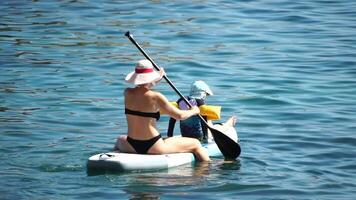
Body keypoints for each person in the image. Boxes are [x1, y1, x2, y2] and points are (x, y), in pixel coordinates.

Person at [114, 59, 210, 162]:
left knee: (119, 140)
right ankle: (207, 170)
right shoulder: (156, 97)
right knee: (195, 143)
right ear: (150, 77)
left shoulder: (127, 93)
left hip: (130, 145)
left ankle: (114, 158)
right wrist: (194, 110)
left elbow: (142, 89)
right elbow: (179, 116)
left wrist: (156, 79)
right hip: (154, 145)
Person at [167, 80, 237, 142]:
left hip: (185, 135)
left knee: (209, 123)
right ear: (202, 94)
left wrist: (169, 135)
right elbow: (204, 122)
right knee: (218, 129)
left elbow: (173, 118)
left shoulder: (180, 100)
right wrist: (205, 138)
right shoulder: (200, 103)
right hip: (198, 137)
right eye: (206, 94)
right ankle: (229, 123)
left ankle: (222, 124)